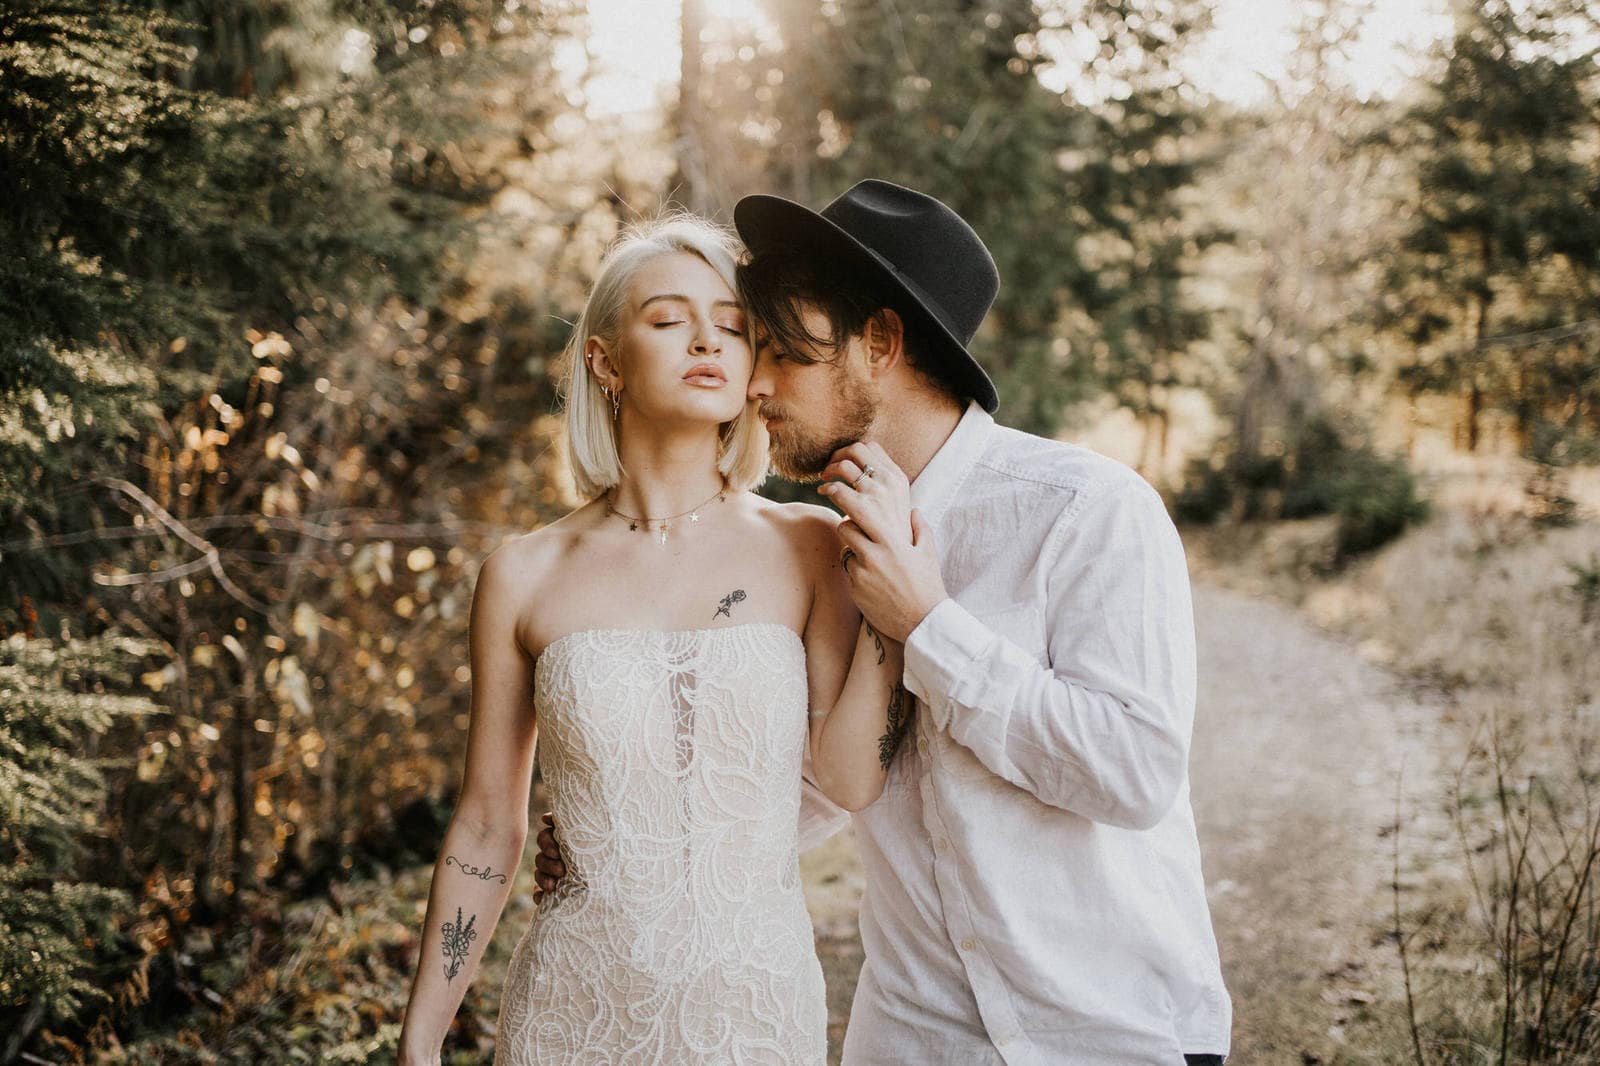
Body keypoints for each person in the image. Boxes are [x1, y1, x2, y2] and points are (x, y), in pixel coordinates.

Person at [534, 180, 1232, 1065]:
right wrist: (623, 845)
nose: (756, 385)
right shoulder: (826, 547)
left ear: (879, 345)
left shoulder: (1086, 512)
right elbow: (830, 775)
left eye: (784, 352)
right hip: (912, 1036)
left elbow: (1136, 773)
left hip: (1105, 1032)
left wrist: (929, 624)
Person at [396, 215, 906, 1066]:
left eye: (733, 327)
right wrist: (421, 1037)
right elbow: (488, 824)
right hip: (572, 1009)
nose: (707, 338)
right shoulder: (523, 574)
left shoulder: (812, 545)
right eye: (669, 320)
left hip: (753, 1011)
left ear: (750, 371)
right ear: (604, 360)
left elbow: (852, 778)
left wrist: (892, 614)